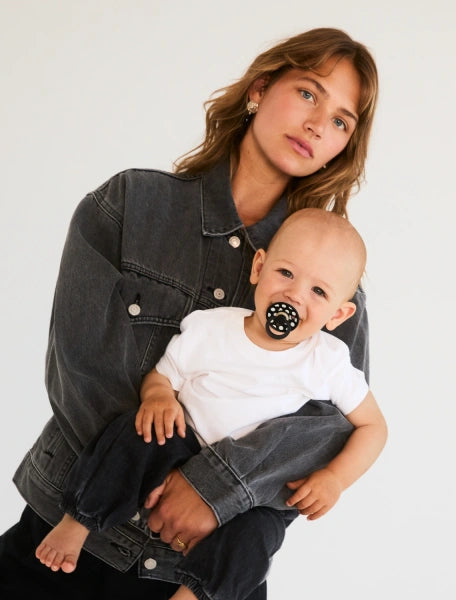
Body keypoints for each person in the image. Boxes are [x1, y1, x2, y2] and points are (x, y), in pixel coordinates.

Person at [0, 27, 380, 600]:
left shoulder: (332, 292)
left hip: (199, 571)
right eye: (308, 93)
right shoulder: (129, 205)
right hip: (69, 544)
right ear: (260, 89)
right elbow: (80, 368)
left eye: (341, 122)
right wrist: (163, 482)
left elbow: (327, 431)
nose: (316, 125)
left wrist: (213, 490)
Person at [34, 209, 387, 599]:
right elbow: (163, 376)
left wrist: (335, 477)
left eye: (318, 292)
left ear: (339, 313)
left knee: (260, 533)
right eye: (286, 273)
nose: (294, 295)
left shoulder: (328, 362)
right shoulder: (212, 326)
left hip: (249, 490)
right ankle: (78, 521)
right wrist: (158, 396)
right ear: (259, 267)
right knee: (136, 431)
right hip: (182, 443)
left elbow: (373, 427)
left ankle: (193, 595)